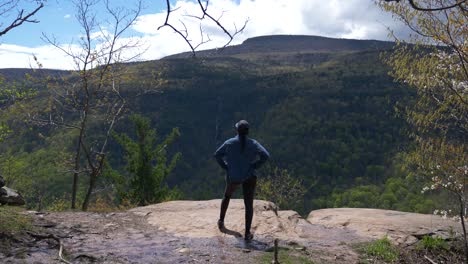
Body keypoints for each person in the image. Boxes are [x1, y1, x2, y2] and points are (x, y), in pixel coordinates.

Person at [214, 120, 270, 241]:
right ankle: (247, 233)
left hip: (233, 176)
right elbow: (265, 155)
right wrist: (255, 165)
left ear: (236, 130)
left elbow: (217, 155)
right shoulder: (254, 144)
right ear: (248, 131)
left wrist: (226, 167)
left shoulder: (229, 143)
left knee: (227, 196)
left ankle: (221, 221)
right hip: (249, 176)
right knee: (248, 204)